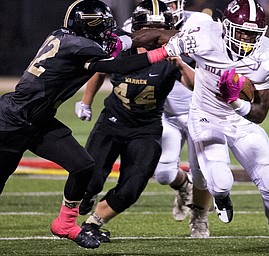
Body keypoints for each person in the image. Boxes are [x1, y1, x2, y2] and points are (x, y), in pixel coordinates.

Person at [0, 0, 195, 249]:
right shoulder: (79, 47)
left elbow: (127, 40)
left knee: (83, 166)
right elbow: (119, 65)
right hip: (11, 123)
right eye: (101, 27)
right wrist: (163, 51)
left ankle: (66, 224)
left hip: (38, 120)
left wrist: (173, 38)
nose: (107, 32)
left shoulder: (67, 37)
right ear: (87, 26)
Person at [179, 0, 269, 255]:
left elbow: (259, 114)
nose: (246, 39)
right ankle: (220, 197)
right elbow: (165, 37)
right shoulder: (206, 35)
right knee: (221, 183)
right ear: (226, 26)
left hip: (239, 121)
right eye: (242, 31)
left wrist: (235, 100)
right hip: (206, 116)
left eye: (253, 34)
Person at [74, 0, 195, 243]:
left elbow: (194, 85)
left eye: (160, 30)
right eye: (149, 28)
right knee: (91, 179)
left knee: (132, 187)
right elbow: (100, 70)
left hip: (146, 129)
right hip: (112, 121)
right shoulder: (121, 46)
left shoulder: (172, 55)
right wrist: (86, 102)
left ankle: (94, 224)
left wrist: (180, 63)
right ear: (138, 28)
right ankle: (88, 194)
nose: (155, 35)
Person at [153, 0, 212, 238]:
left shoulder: (201, 23)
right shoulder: (140, 23)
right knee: (163, 174)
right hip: (167, 113)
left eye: (170, 3)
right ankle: (182, 185)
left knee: (203, 172)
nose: (167, 8)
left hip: (200, 112)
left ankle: (199, 217)